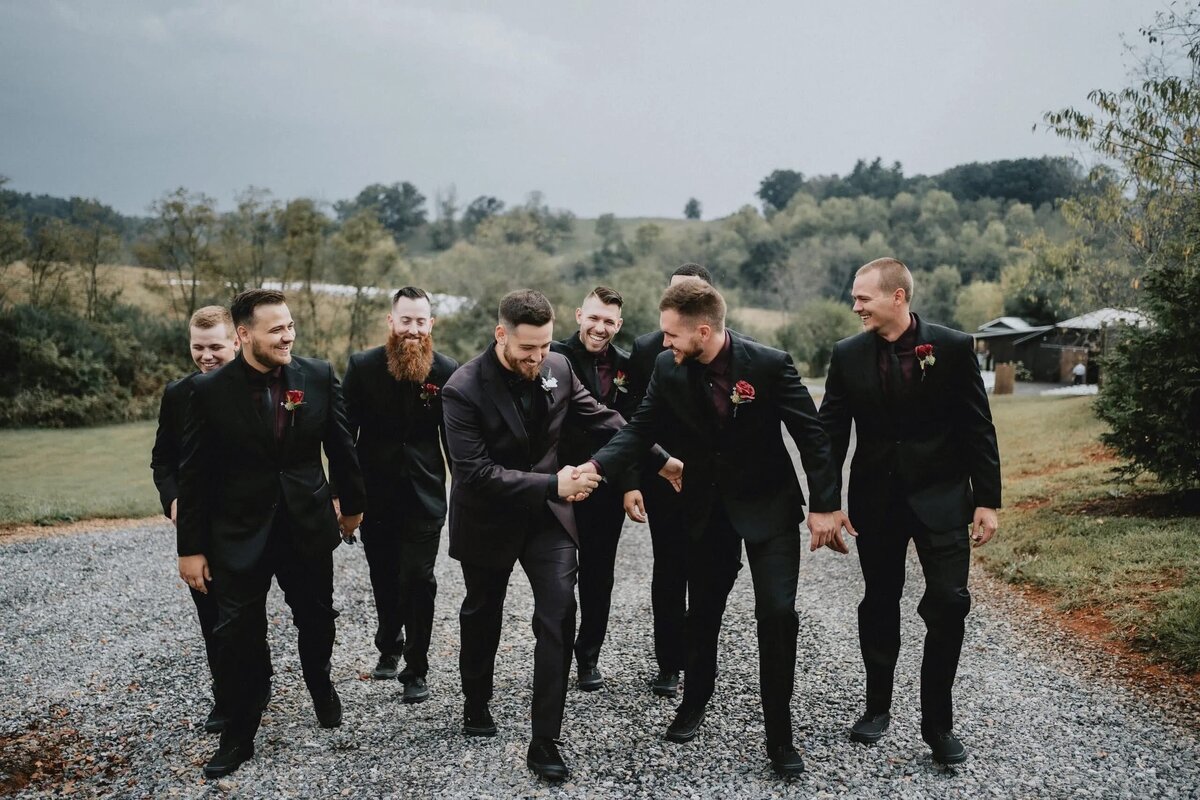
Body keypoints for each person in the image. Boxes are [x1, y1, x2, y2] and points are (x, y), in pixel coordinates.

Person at [579, 278, 842, 778]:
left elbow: (812, 435)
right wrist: (595, 470)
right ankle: (694, 700)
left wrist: (826, 505)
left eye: (673, 336)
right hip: (704, 509)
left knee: (778, 612)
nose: (665, 343)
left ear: (704, 330)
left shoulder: (768, 364)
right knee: (701, 611)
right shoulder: (666, 365)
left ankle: (780, 732)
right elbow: (639, 430)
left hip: (769, 508)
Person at [176, 289, 366, 779]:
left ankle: (319, 681)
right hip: (237, 534)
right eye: (276, 329)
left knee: (318, 618)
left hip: (306, 524)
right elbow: (193, 475)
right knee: (237, 634)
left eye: (290, 326)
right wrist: (191, 549)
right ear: (244, 335)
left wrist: (352, 507)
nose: (288, 336)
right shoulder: (208, 392)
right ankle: (239, 735)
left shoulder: (318, 375)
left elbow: (342, 448)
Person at [441, 289, 628, 782]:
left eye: (544, 346)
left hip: (547, 519)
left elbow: (605, 420)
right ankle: (476, 702)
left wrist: (659, 455)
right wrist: (555, 483)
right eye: (528, 349)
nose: (538, 357)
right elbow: (475, 473)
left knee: (558, 612)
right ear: (501, 334)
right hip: (489, 516)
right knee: (483, 612)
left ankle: (545, 738)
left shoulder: (559, 368)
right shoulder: (461, 389)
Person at [819, 257, 1001, 766]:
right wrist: (826, 503)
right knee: (879, 600)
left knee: (948, 602)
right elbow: (829, 433)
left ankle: (937, 724)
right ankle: (877, 707)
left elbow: (977, 427)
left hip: (943, 498)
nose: (855, 306)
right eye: (855, 298)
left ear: (898, 297)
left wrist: (986, 499)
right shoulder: (847, 354)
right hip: (876, 500)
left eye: (864, 298)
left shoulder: (953, 347)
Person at [342, 287, 458, 703]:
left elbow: (454, 440)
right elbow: (344, 438)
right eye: (405, 320)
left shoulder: (446, 370)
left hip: (426, 495)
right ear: (391, 322)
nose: (413, 329)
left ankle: (416, 668)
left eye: (420, 321)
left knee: (419, 579)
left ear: (431, 325)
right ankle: (388, 643)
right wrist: (345, 497)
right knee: (385, 576)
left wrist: (462, 491)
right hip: (375, 495)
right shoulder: (362, 366)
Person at [151, 305, 260, 733]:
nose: (207, 356)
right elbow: (163, 462)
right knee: (213, 617)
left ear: (237, 340)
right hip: (200, 525)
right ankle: (228, 698)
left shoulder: (261, 389)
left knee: (245, 616)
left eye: (215, 346)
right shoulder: (178, 394)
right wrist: (174, 500)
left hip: (252, 523)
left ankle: (255, 685)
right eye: (198, 347)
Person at [623, 262, 712, 698]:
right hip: (661, 477)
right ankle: (669, 662)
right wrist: (634, 479)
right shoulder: (647, 349)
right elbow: (635, 421)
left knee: (708, 571)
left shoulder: (731, 350)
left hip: (709, 482)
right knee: (669, 568)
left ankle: (701, 658)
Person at [549, 286, 641, 692]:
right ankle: (553, 655)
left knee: (598, 576)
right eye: (594, 318)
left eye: (608, 321)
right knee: (556, 576)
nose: (600, 327)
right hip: (558, 485)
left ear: (618, 325)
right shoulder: (552, 355)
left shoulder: (628, 366)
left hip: (606, 486)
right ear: (578, 316)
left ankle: (588, 658)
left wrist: (629, 485)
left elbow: (636, 427)